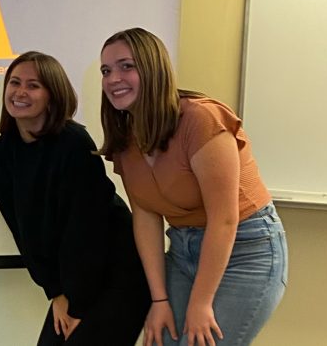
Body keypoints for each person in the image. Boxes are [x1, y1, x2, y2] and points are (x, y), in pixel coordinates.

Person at [99, 27, 287, 346]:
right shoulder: (126, 138)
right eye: (106, 70)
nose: (113, 78)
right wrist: (158, 301)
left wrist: (201, 302)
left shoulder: (201, 119)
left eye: (126, 66)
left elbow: (224, 219)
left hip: (245, 246)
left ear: (153, 68)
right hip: (183, 248)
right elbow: (145, 217)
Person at [0, 51, 150, 345]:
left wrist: (76, 302)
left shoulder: (73, 143)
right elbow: (23, 232)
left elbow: (86, 231)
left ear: (53, 95)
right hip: (73, 281)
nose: (20, 92)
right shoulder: (0, 155)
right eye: (15, 83)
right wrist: (56, 291)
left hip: (117, 270)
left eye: (33, 85)